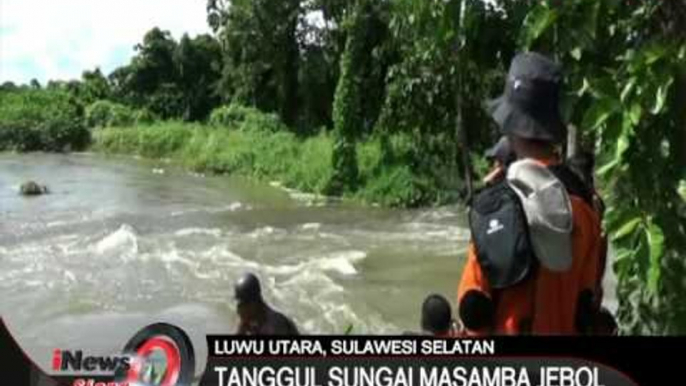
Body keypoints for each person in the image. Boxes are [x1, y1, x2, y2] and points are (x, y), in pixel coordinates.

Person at [457, 52, 604, 335]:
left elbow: (474, 312)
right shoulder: (585, 207)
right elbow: (588, 298)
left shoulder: (494, 208)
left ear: (510, 124)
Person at [234, 273, 300, 335]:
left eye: (241, 305)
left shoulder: (275, 325)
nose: (238, 310)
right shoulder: (250, 318)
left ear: (253, 304)